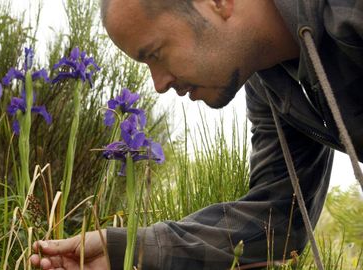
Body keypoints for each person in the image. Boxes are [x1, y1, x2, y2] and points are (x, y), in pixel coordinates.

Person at [30, 0, 363, 268]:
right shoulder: (271, 86)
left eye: (155, 54)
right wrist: (124, 249)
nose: (159, 85)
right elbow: (277, 221)